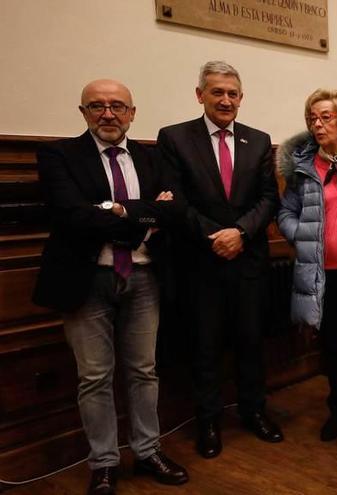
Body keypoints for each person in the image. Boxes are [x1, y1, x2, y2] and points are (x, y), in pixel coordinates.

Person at [32, 79, 188, 495]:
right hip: (87, 281)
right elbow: (72, 216)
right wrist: (144, 216)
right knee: (95, 376)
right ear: (83, 112)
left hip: (144, 277)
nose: (108, 114)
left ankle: (148, 450)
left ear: (132, 113)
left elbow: (174, 213)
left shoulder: (152, 157)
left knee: (144, 370)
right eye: (97, 106)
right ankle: (103, 463)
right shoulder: (59, 155)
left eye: (118, 106)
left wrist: (118, 210)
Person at [156, 61, 282, 459]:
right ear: (200, 95)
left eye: (232, 94)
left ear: (241, 99)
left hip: (248, 261)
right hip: (201, 261)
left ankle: (254, 411)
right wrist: (216, 237)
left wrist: (241, 234)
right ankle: (208, 422)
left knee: (250, 342)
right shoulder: (174, 138)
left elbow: (268, 199)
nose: (225, 100)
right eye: (217, 92)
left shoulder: (259, 141)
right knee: (204, 347)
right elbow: (175, 200)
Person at [276, 89, 337, 443]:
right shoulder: (303, 167)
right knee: (332, 344)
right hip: (323, 274)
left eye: (326, 117)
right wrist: (300, 235)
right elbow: (285, 212)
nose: (317, 125)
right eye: (312, 119)